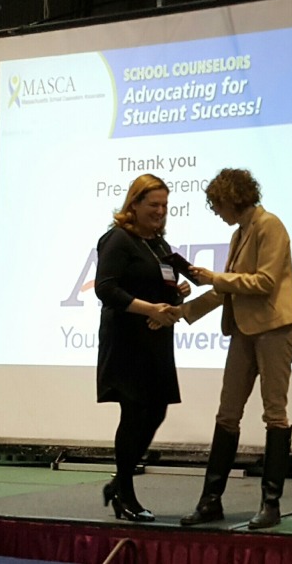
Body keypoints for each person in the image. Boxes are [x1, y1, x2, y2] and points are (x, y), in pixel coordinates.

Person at [177, 167, 292, 529]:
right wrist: (184, 312)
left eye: (217, 204)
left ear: (232, 199)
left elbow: (264, 282)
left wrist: (214, 276)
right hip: (244, 330)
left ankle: (271, 505)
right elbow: (225, 290)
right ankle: (210, 501)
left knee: (274, 413)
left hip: (274, 327)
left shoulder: (270, 225)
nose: (216, 211)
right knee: (227, 413)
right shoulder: (240, 233)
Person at [95, 173, 188, 522]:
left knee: (157, 410)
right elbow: (106, 289)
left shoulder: (159, 245)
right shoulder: (118, 239)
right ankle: (127, 495)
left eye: (165, 205)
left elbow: (161, 282)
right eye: (154, 205)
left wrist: (176, 293)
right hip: (127, 341)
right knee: (134, 414)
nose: (161, 211)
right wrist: (150, 308)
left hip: (156, 340)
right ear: (134, 204)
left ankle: (118, 484)